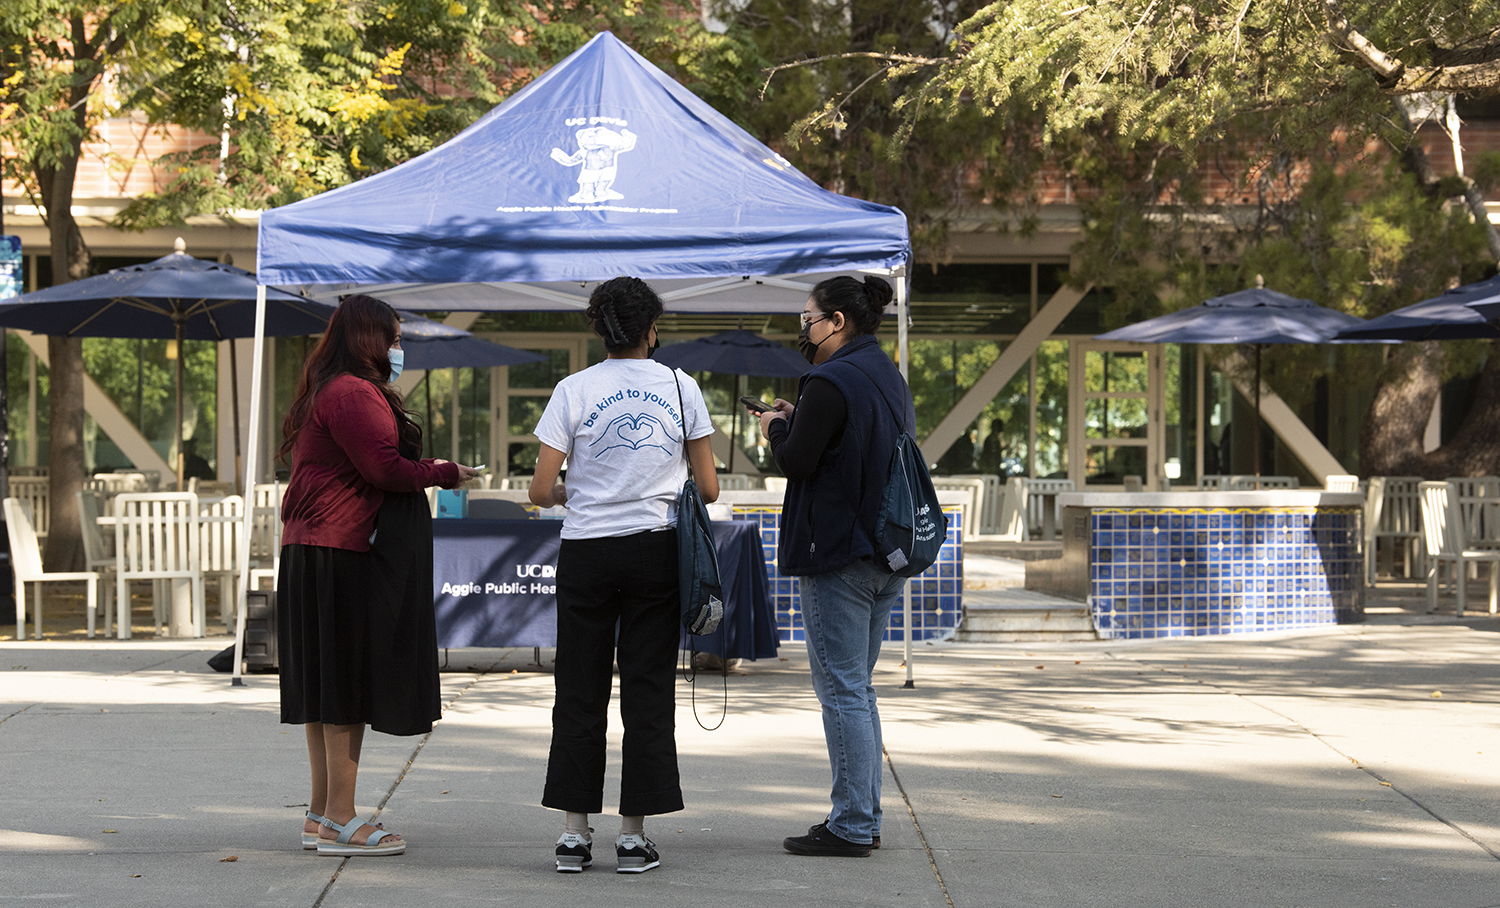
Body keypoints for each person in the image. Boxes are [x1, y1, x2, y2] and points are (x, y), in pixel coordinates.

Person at [277, 294, 480, 857]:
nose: (398, 349)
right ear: (370, 340)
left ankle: (320, 814)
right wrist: (446, 471)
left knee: (327, 689)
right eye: (392, 338)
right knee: (345, 689)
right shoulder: (352, 393)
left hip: (318, 547)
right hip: (342, 548)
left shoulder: (330, 389)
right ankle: (343, 821)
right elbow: (383, 468)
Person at [529, 276, 717, 874]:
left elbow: (539, 490)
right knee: (647, 691)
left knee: (579, 689)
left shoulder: (573, 388)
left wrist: (574, 491)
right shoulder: (682, 388)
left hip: (586, 549)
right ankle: (633, 838)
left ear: (597, 328)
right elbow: (708, 487)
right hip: (655, 550)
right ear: (651, 329)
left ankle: (573, 836)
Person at [751, 275, 911, 858]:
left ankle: (849, 824)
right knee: (858, 689)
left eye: (808, 319)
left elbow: (797, 460)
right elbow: (844, 444)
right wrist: (802, 418)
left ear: (836, 321)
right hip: (883, 549)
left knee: (842, 691)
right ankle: (862, 816)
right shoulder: (884, 373)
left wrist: (775, 428)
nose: (804, 329)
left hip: (838, 554)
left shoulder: (829, 377)